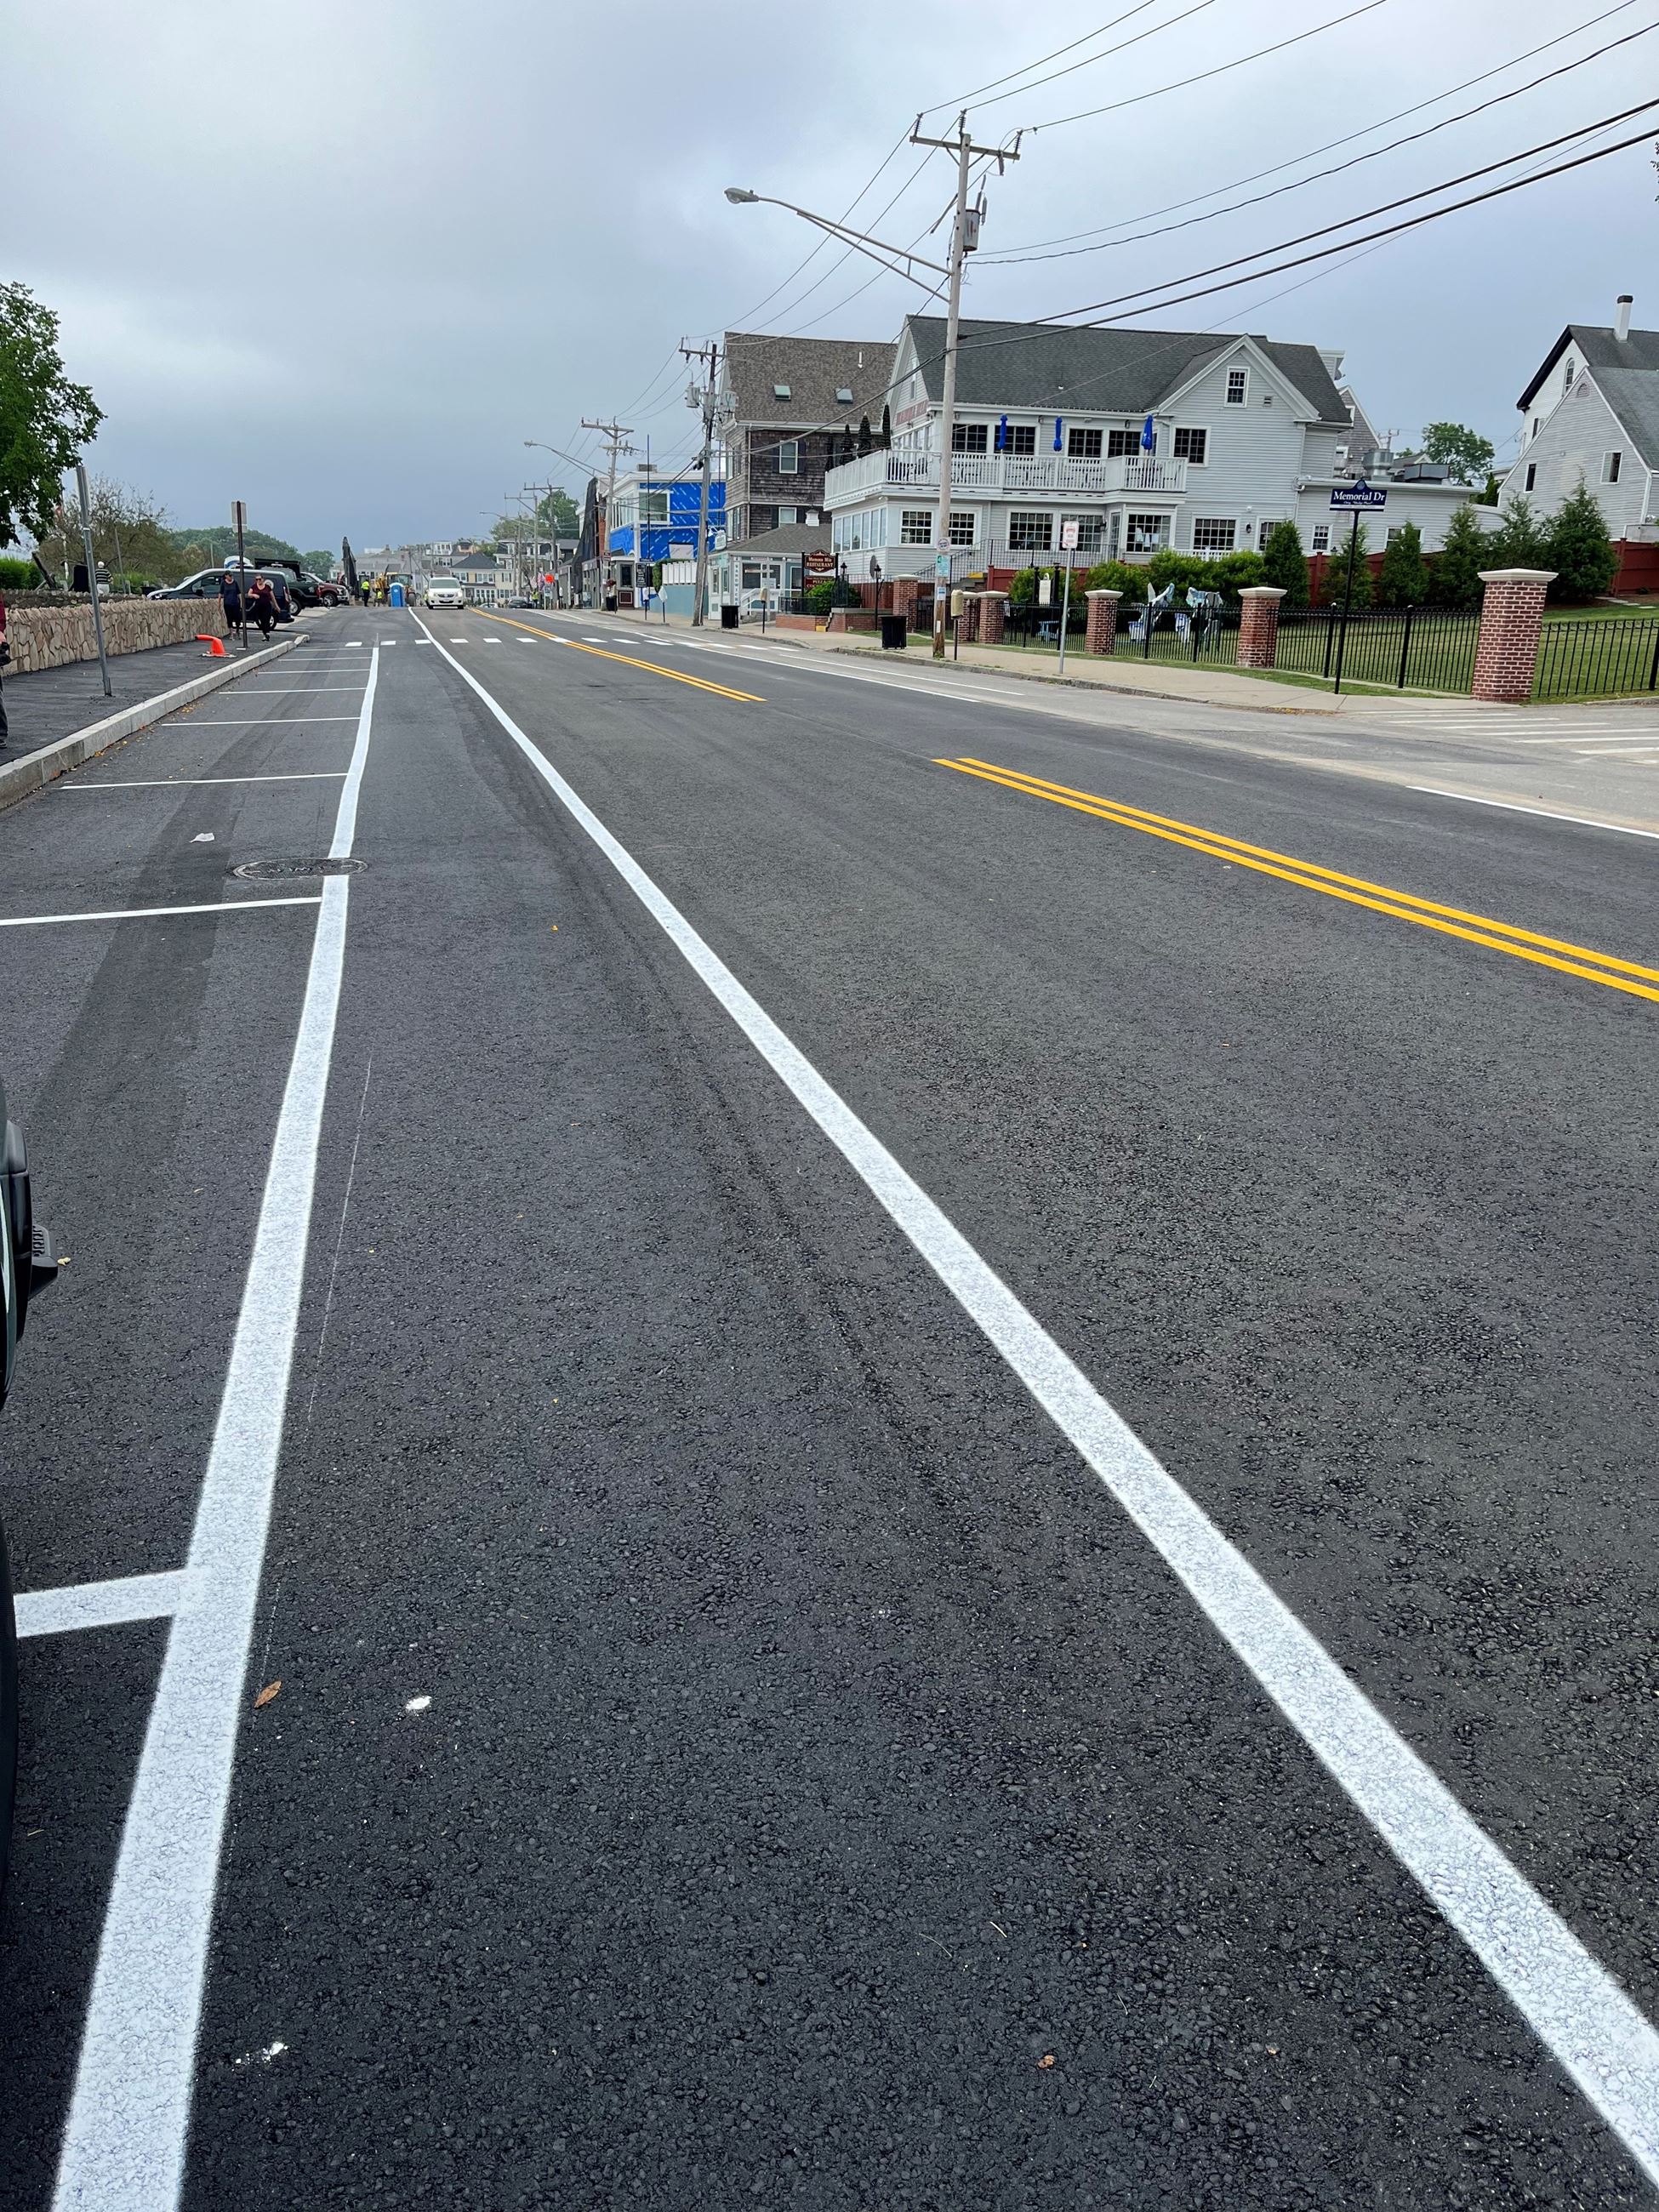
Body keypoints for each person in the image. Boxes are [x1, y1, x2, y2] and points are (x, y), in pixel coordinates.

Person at [248, 574, 277, 639]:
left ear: (263, 579)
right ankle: (264, 633)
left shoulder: (267, 587)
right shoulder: (254, 587)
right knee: (261, 620)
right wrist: (254, 595)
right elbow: (249, 594)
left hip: (267, 605)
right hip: (258, 605)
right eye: (257, 579)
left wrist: (276, 606)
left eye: (259, 579)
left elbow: (273, 597)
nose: (258, 581)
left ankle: (267, 634)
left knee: (266, 619)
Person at [219, 568, 242, 636]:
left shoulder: (235, 583)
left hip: (235, 603)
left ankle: (238, 629)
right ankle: (231, 632)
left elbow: (239, 593)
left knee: (237, 617)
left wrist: (241, 603)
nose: (231, 577)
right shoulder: (223, 583)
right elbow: (220, 593)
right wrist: (219, 603)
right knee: (229, 618)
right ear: (226, 576)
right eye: (230, 576)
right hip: (227, 603)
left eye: (232, 576)